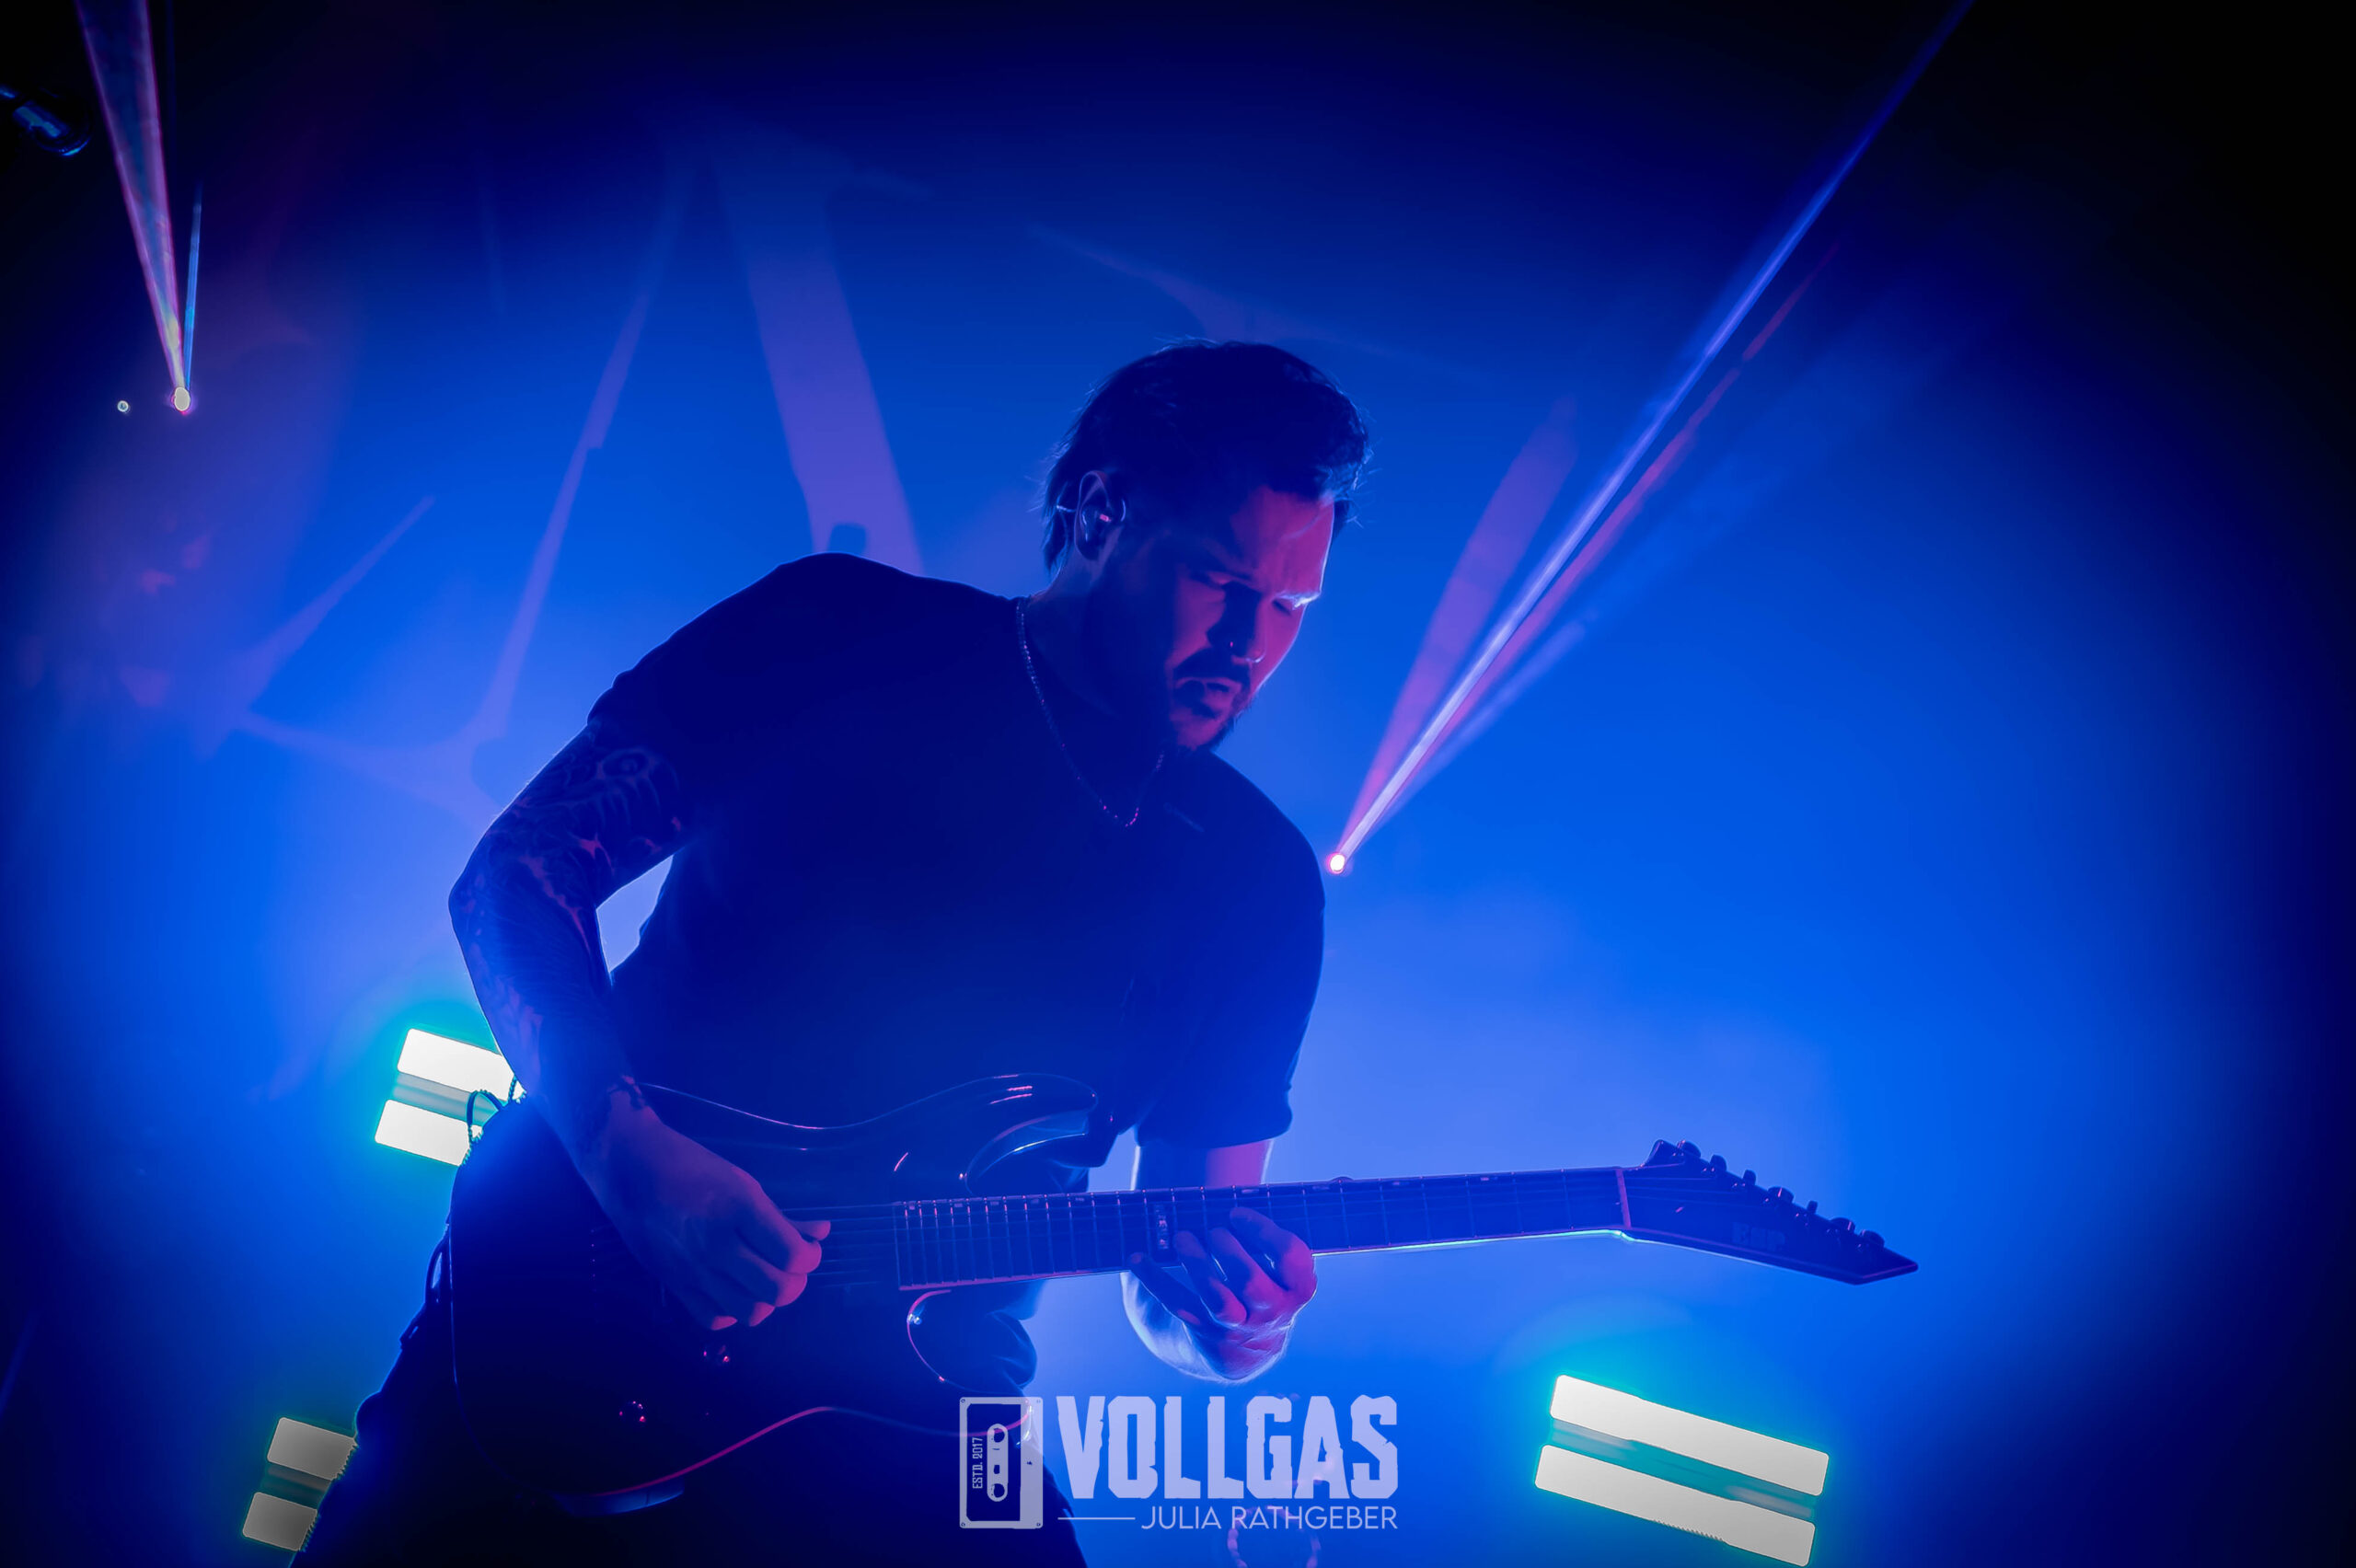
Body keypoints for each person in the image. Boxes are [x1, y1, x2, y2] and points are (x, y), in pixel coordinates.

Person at [299, 340, 1370, 1565]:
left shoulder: (1257, 885)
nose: (1248, 642)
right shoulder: (841, 631)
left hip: (937, 1405)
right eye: (1220, 581)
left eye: (1290, 607)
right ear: (1098, 511)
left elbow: (1178, 1268)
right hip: (586, 1307)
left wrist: (1236, 1329)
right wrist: (628, 1160)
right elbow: (518, 873)